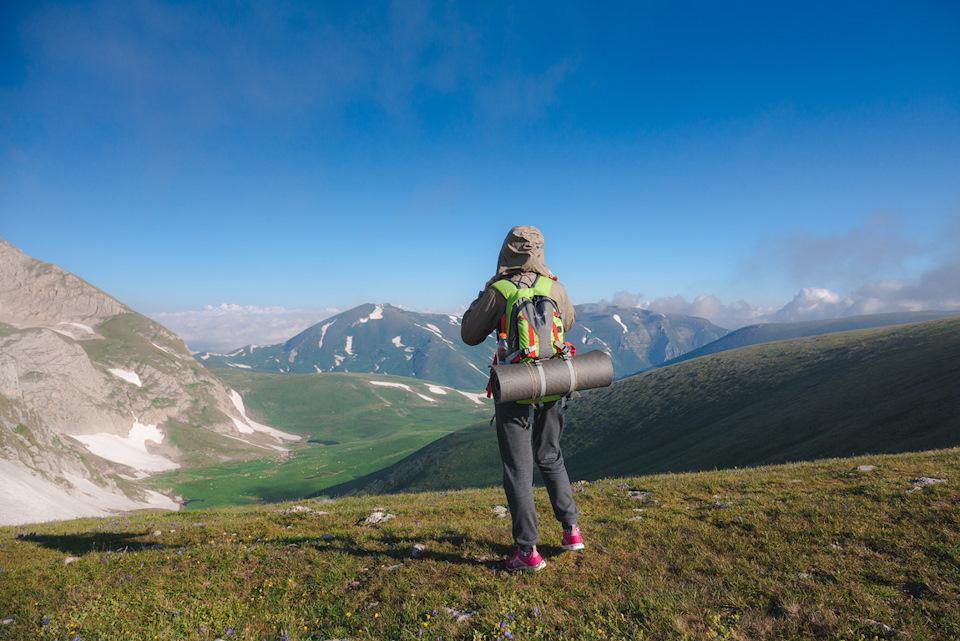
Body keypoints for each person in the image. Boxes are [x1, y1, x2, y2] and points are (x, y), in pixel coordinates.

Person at [461, 225, 584, 572]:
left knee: (518, 467)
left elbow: (469, 333)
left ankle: (527, 551)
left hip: (516, 383)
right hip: (555, 381)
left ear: (505, 252)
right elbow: (569, 322)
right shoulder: (554, 287)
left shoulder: (499, 290)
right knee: (550, 454)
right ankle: (571, 530)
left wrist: (485, 294)